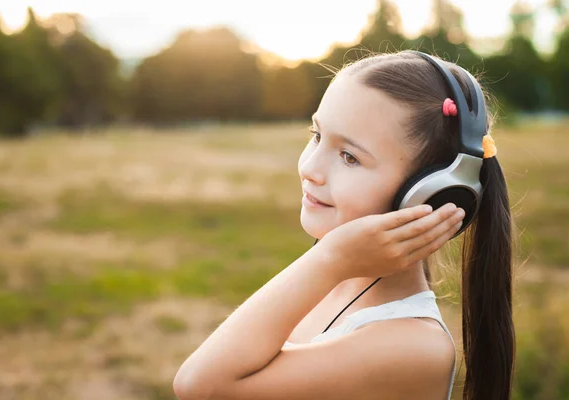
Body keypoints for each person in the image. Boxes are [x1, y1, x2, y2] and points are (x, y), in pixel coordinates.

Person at [173, 51, 515, 400]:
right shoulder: (331, 282)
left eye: (349, 157)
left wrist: (329, 259)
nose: (309, 168)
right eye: (317, 135)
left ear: (430, 196)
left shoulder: (414, 346)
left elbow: (200, 387)